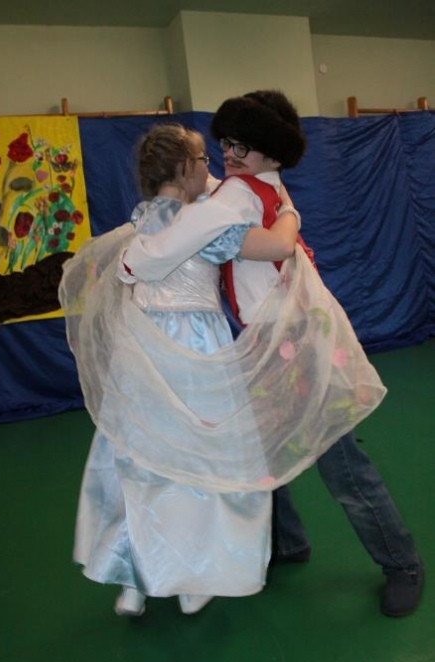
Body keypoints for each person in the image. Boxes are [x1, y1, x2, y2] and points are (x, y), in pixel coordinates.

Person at [121, 89, 424, 617]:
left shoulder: (239, 195)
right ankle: (287, 542)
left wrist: (133, 260)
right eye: (225, 144)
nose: (229, 154)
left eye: (242, 146)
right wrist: (287, 213)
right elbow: (213, 192)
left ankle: (402, 564)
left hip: (297, 342)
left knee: (342, 464)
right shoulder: (250, 187)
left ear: (271, 152)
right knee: (263, 455)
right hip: (268, 342)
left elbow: (191, 232)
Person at [59, 122, 309, 618]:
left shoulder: (142, 219)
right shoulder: (205, 225)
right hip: (194, 347)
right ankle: (194, 577)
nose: (210, 170)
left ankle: (134, 578)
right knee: (200, 460)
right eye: (203, 161)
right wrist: (288, 210)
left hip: (141, 348)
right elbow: (278, 245)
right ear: (184, 168)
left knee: (142, 458)